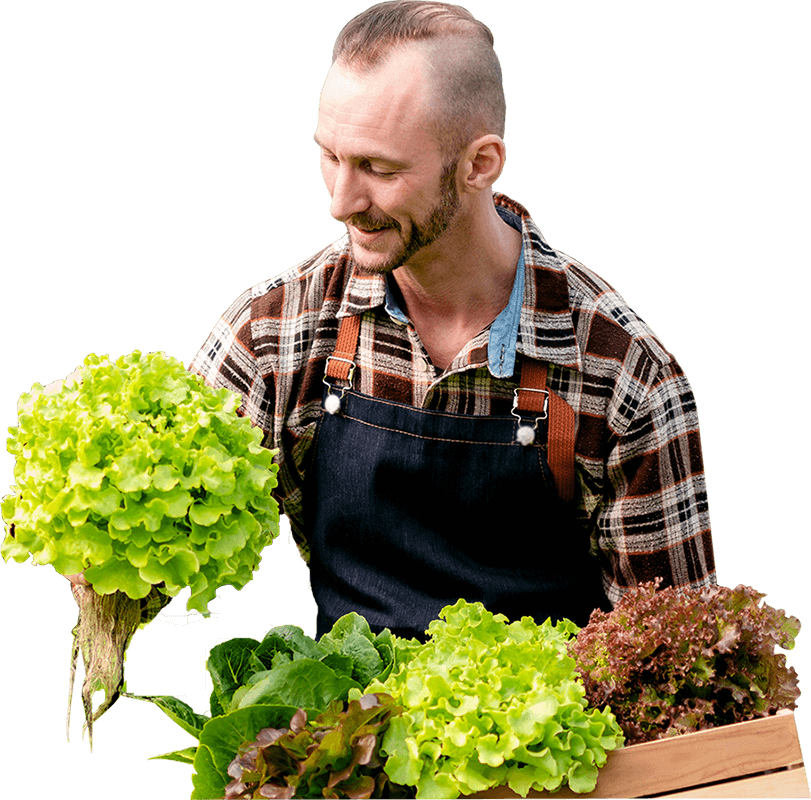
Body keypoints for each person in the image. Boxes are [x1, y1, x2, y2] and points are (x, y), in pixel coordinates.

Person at [190, 1, 715, 640]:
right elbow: (179, 527)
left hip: (543, 708)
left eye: (379, 168)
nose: (340, 202)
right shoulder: (277, 328)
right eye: (330, 156)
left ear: (479, 164)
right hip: (346, 706)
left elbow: (670, 654)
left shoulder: (621, 370)